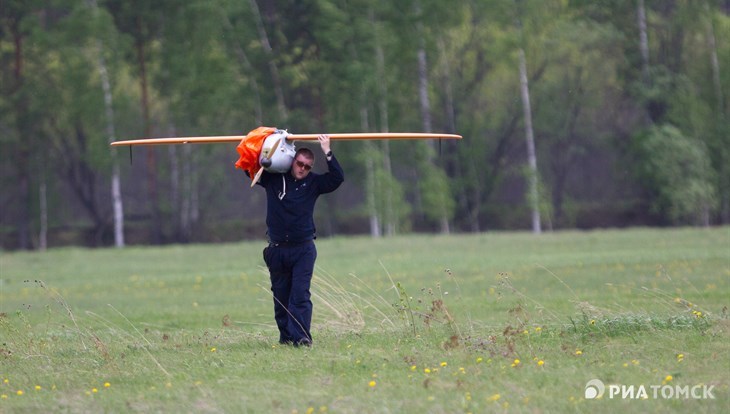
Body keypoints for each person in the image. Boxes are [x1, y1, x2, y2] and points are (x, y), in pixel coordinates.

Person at [255, 134, 344, 347]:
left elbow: (337, 178)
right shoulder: (274, 178)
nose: (302, 168)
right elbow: (250, 169)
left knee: (300, 295)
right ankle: (286, 337)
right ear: (292, 161)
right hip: (277, 249)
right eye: (299, 164)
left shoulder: (314, 183)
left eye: (307, 166)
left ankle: (302, 338)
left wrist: (327, 151)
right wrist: (267, 143)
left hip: (303, 249)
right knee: (281, 297)